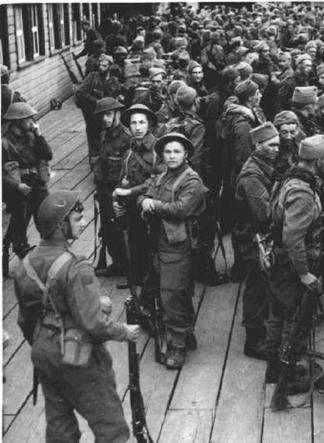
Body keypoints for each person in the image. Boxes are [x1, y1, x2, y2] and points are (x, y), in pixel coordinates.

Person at [14, 190, 140, 442]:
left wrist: (44, 342)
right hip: (77, 355)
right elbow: (92, 322)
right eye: (77, 219)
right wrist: (123, 332)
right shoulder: (76, 266)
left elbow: (24, 319)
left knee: (60, 427)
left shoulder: (25, 264)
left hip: (43, 351)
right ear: (61, 226)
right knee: (111, 429)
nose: (83, 223)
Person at [265, 135, 324, 385]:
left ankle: (275, 369)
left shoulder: (290, 178)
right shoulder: (303, 192)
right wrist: (304, 273)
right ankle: (288, 374)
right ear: (318, 160)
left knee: (277, 316)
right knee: (295, 320)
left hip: (280, 260)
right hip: (293, 264)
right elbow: (293, 238)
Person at [137, 133, 207, 369]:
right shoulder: (162, 176)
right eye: (167, 152)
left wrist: (152, 205)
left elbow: (181, 209)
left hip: (178, 245)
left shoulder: (191, 181)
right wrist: (144, 202)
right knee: (162, 289)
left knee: (173, 294)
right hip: (158, 242)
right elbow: (146, 194)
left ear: (186, 154)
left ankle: (177, 346)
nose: (172, 156)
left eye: (177, 151)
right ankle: (186, 335)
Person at [233, 123, 280, 360]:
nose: (276, 149)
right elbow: (263, 215)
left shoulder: (263, 166)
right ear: (257, 145)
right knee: (256, 288)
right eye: (271, 145)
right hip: (254, 240)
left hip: (257, 237)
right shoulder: (252, 176)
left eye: (277, 145)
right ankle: (254, 340)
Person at [113, 104, 162, 289]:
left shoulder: (158, 151)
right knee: (134, 243)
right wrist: (116, 199)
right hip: (132, 208)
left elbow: (158, 180)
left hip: (151, 207)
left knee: (153, 247)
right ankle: (136, 278)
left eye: (142, 122)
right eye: (133, 123)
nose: (137, 127)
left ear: (149, 124)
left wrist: (130, 192)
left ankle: (151, 281)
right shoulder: (130, 151)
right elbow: (123, 178)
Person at [2, 103, 52, 263]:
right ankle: (20, 248)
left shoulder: (32, 136)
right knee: (19, 224)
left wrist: (39, 136)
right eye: (28, 119)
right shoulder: (4, 144)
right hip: (18, 189)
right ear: (17, 121)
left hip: (36, 184)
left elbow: (48, 155)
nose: (32, 121)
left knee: (45, 216)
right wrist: (16, 186)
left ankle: (49, 248)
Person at [92, 97, 129, 277]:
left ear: (117, 114)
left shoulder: (126, 138)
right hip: (104, 192)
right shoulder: (103, 135)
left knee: (121, 229)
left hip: (119, 192)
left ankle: (126, 264)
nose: (104, 119)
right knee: (108, 229)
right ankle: (117, 262)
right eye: (102, 116)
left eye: (108, 114)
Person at [75, 54, 122, 159]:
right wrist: (97, 101)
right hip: (92, 109)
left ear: (110, 66)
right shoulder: (92, 77)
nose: (101, 68)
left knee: (108, 130)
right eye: (100, 65)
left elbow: (118, 91)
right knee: (93, 131)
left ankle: (105, 152)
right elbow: (80, 92)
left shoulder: (114, 80)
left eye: (104, 66)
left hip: (107, 110)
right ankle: (93, 155)